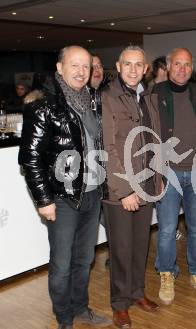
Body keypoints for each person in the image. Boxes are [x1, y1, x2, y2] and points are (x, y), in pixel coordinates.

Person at [18, 45, 111, 329]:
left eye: (87, 66)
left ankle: (80, 307)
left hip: (92, 193)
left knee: (84, 260)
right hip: (61, 198)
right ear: (60, 68)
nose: (82, 71)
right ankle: (64, 317)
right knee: (62, 264)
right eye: (75, 65)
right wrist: (43, 200)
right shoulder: (42, 105)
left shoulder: (92, 101)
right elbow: (29, 157)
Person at [101, 45, 161, 328]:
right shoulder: (109, 98)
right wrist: (125, 190)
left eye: (139, 64)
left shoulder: (148, 96)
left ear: (146, 68)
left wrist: (158, 178)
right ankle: (120, 304)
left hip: (147, 183)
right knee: (121, 250)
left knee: (140, 246)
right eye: (128, 64)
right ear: (118, 65)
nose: (134, 69)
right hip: (121, 190)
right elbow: (108, 148)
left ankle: (137, 292)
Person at [152, 48, 196, 305]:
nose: (182, 69)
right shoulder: (155, 93)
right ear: (168, 66)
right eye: (177, 64)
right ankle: (167, 273)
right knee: (166, 229)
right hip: (169, 173)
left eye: (187, 64)